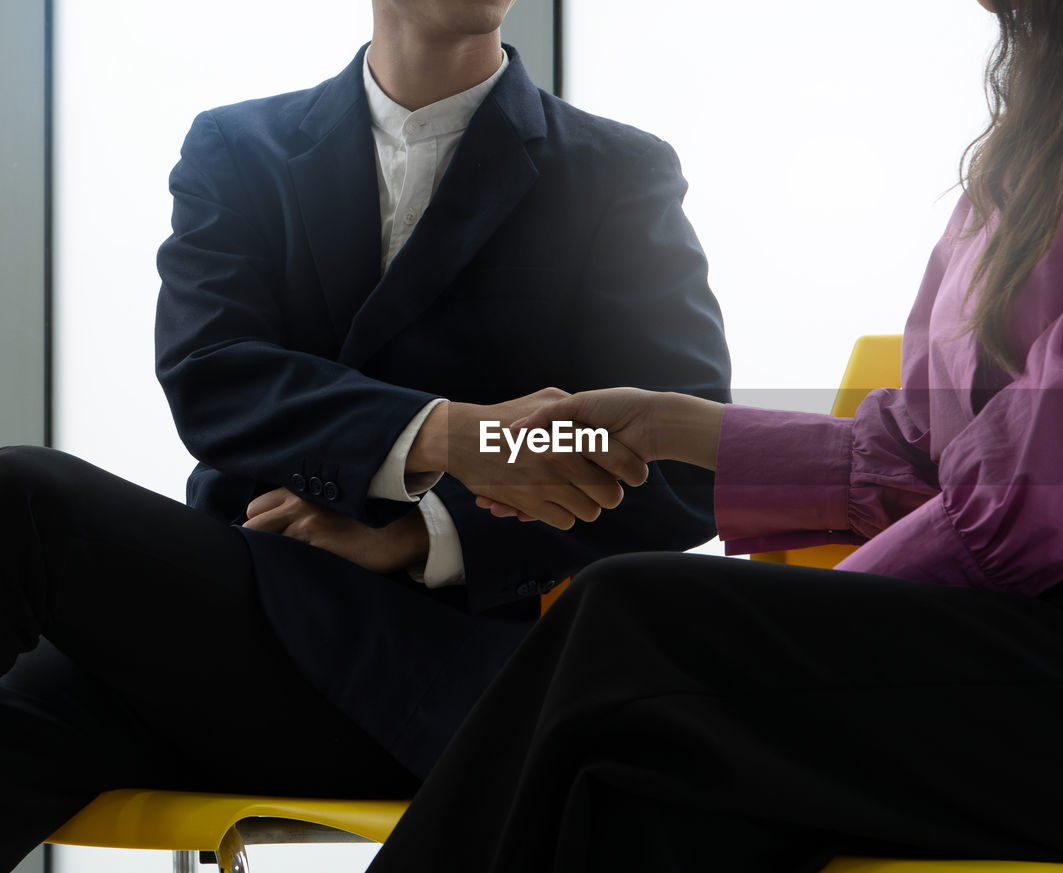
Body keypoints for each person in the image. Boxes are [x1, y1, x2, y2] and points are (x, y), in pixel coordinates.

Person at [358, 2, 1063, 872]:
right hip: (1011, 655)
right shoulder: (1027, 146)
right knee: (649, 798)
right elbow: (924, 451)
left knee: (630, 617)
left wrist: (784, 624)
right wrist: (660, 422)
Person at [0, 0, 729, 866]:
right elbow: (214, 371)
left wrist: (419, 535)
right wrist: (448, 435)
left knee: (22, 497)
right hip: (233, 617)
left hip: (441, 671)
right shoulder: (238, 147)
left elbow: (686, 459)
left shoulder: (614, 170)